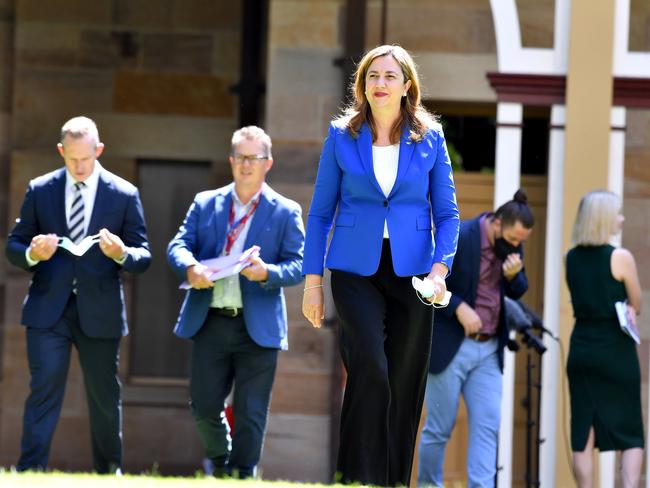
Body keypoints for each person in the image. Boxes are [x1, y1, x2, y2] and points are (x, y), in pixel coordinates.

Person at [302, 44, 460, 486]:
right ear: (362, 85)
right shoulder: (341, 136)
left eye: (390, 76)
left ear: (407, 86)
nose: (380, 84)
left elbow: (447, 214)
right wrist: (312, 283)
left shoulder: (430, 138)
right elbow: (319, 213)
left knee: (405, 380)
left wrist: (439, 270)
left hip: (414, 275)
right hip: (355, 271)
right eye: (373, 76)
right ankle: (356, 476)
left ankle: (391, 481)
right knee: (369, 364)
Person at [5, 116, 151, 474]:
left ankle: (109, 471)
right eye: (72, 159)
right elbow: (14, 245)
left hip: (100, 311)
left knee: (104, 397)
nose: (80, 166)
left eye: (86, 158)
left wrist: (121, 253)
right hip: (47, 310)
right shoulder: (41, 189)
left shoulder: (123, 193)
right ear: (61, 152)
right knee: (43, 391)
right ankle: (30, 471)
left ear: (98, 150)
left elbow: (143, 255)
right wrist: (31, 254)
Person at [167, 126, 304, 479]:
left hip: (256, 325)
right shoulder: (205, 203)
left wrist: (267, 273)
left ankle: (244, 473)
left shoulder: (285, 211)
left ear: (267, 163)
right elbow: (178, 245)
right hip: (210, 318)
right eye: (240, 157)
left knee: (251, 411)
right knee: (204, 405)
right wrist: (190, 266)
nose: (246, 165)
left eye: (253, 158)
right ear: (230, 161)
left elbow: (300, 265)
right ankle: (222, 461)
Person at [418, 189, 534, 488]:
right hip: (451, 347)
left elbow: (518, 290)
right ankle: (430, 485)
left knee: (487, 427)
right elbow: (427, 286)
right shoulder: (463, 236)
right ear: (496, 224)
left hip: (489, 350)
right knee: (439, 429)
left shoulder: (512, 244)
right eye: (512, 240)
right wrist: (458, 307)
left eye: (521, 242)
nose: (516, 247)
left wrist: (514, 276)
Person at [565, 190, 644, 488]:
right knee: (630, 430)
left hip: (582, 348)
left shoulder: (570, 258)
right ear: (604, 219)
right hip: (615, 350)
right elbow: (636, 301)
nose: (622, 218)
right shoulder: (620, 257)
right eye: (617, 212)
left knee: (583, 428)